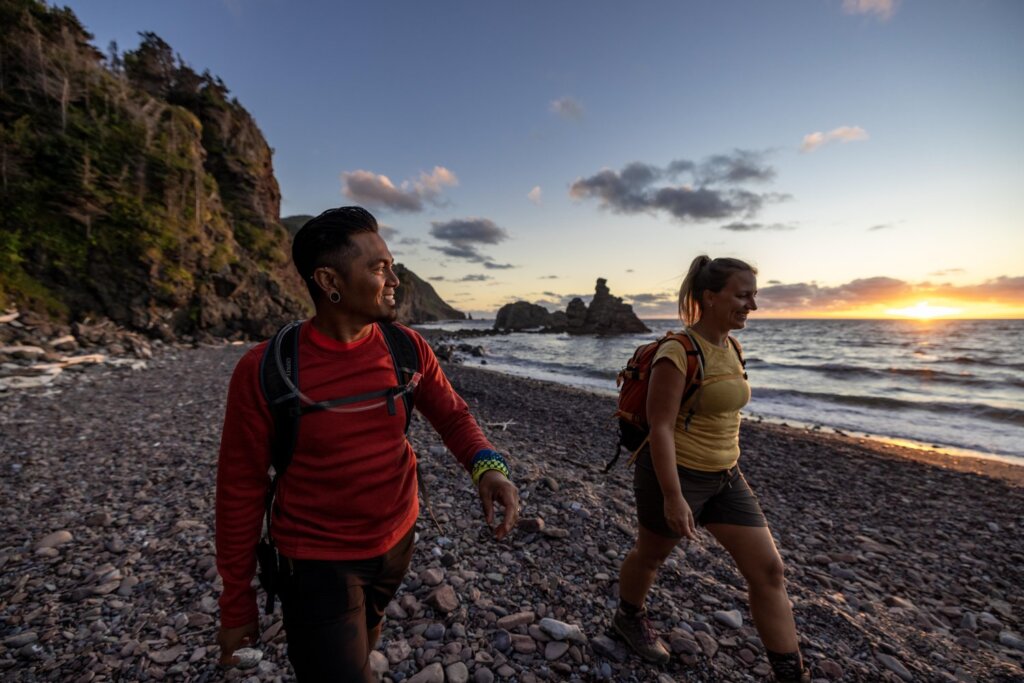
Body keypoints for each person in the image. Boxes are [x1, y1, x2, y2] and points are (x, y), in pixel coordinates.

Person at [214, 206, 520, 681]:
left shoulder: (406, 348)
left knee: (367, 634)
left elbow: (454, 416)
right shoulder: (266, 370)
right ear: (328, 279)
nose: (395, 278)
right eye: (379, 268)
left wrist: (489, 467)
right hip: (316, 562)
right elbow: (239, 490)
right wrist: (236, 605)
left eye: (391, 265)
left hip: (398, 541)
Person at [613, 255, 810, 682]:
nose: (752, 306)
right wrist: (673, 496)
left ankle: (791, 674)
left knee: (770, 571)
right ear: (710, 296)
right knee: (650, 558)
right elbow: (661, 428)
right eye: (743, 295)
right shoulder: (677, 352)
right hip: (675, 475)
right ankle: (628, 617)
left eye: (754, 295)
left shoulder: (732, 347)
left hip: (727, 478)